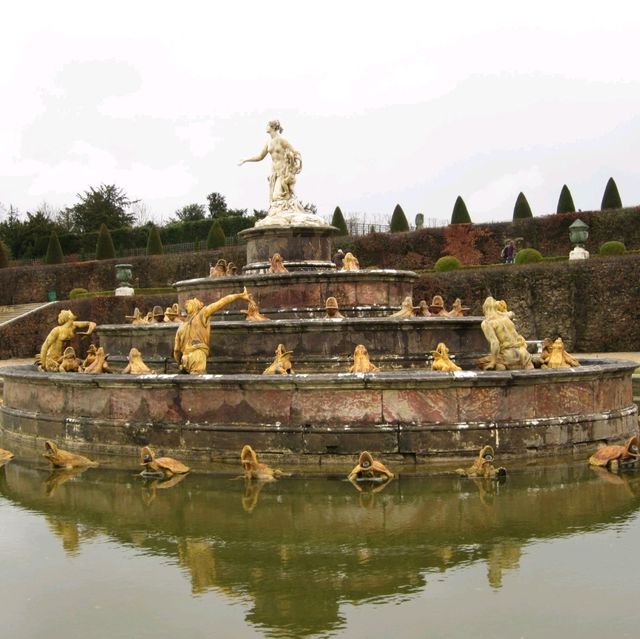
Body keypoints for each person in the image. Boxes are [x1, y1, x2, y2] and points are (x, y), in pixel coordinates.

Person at [174, 288, 252, 374]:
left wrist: (179, 363)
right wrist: (239, 295)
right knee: (198, 384)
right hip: (198, 355)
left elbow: (176, 350)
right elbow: (222, 302)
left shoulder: (181, 327)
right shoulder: (202, 314)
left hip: (185, 358)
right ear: (197, 306)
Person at [239, 120, 302, 207]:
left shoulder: (282, 140)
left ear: (272, 127)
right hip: (274, 174)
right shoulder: (268, 142)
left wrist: (294, 166)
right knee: (273, 201)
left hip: (283, 173)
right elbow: (260, 156)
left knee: (277, 197)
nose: (266, 127)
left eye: (267, 125)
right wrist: (245, 159)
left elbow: (295, 153)